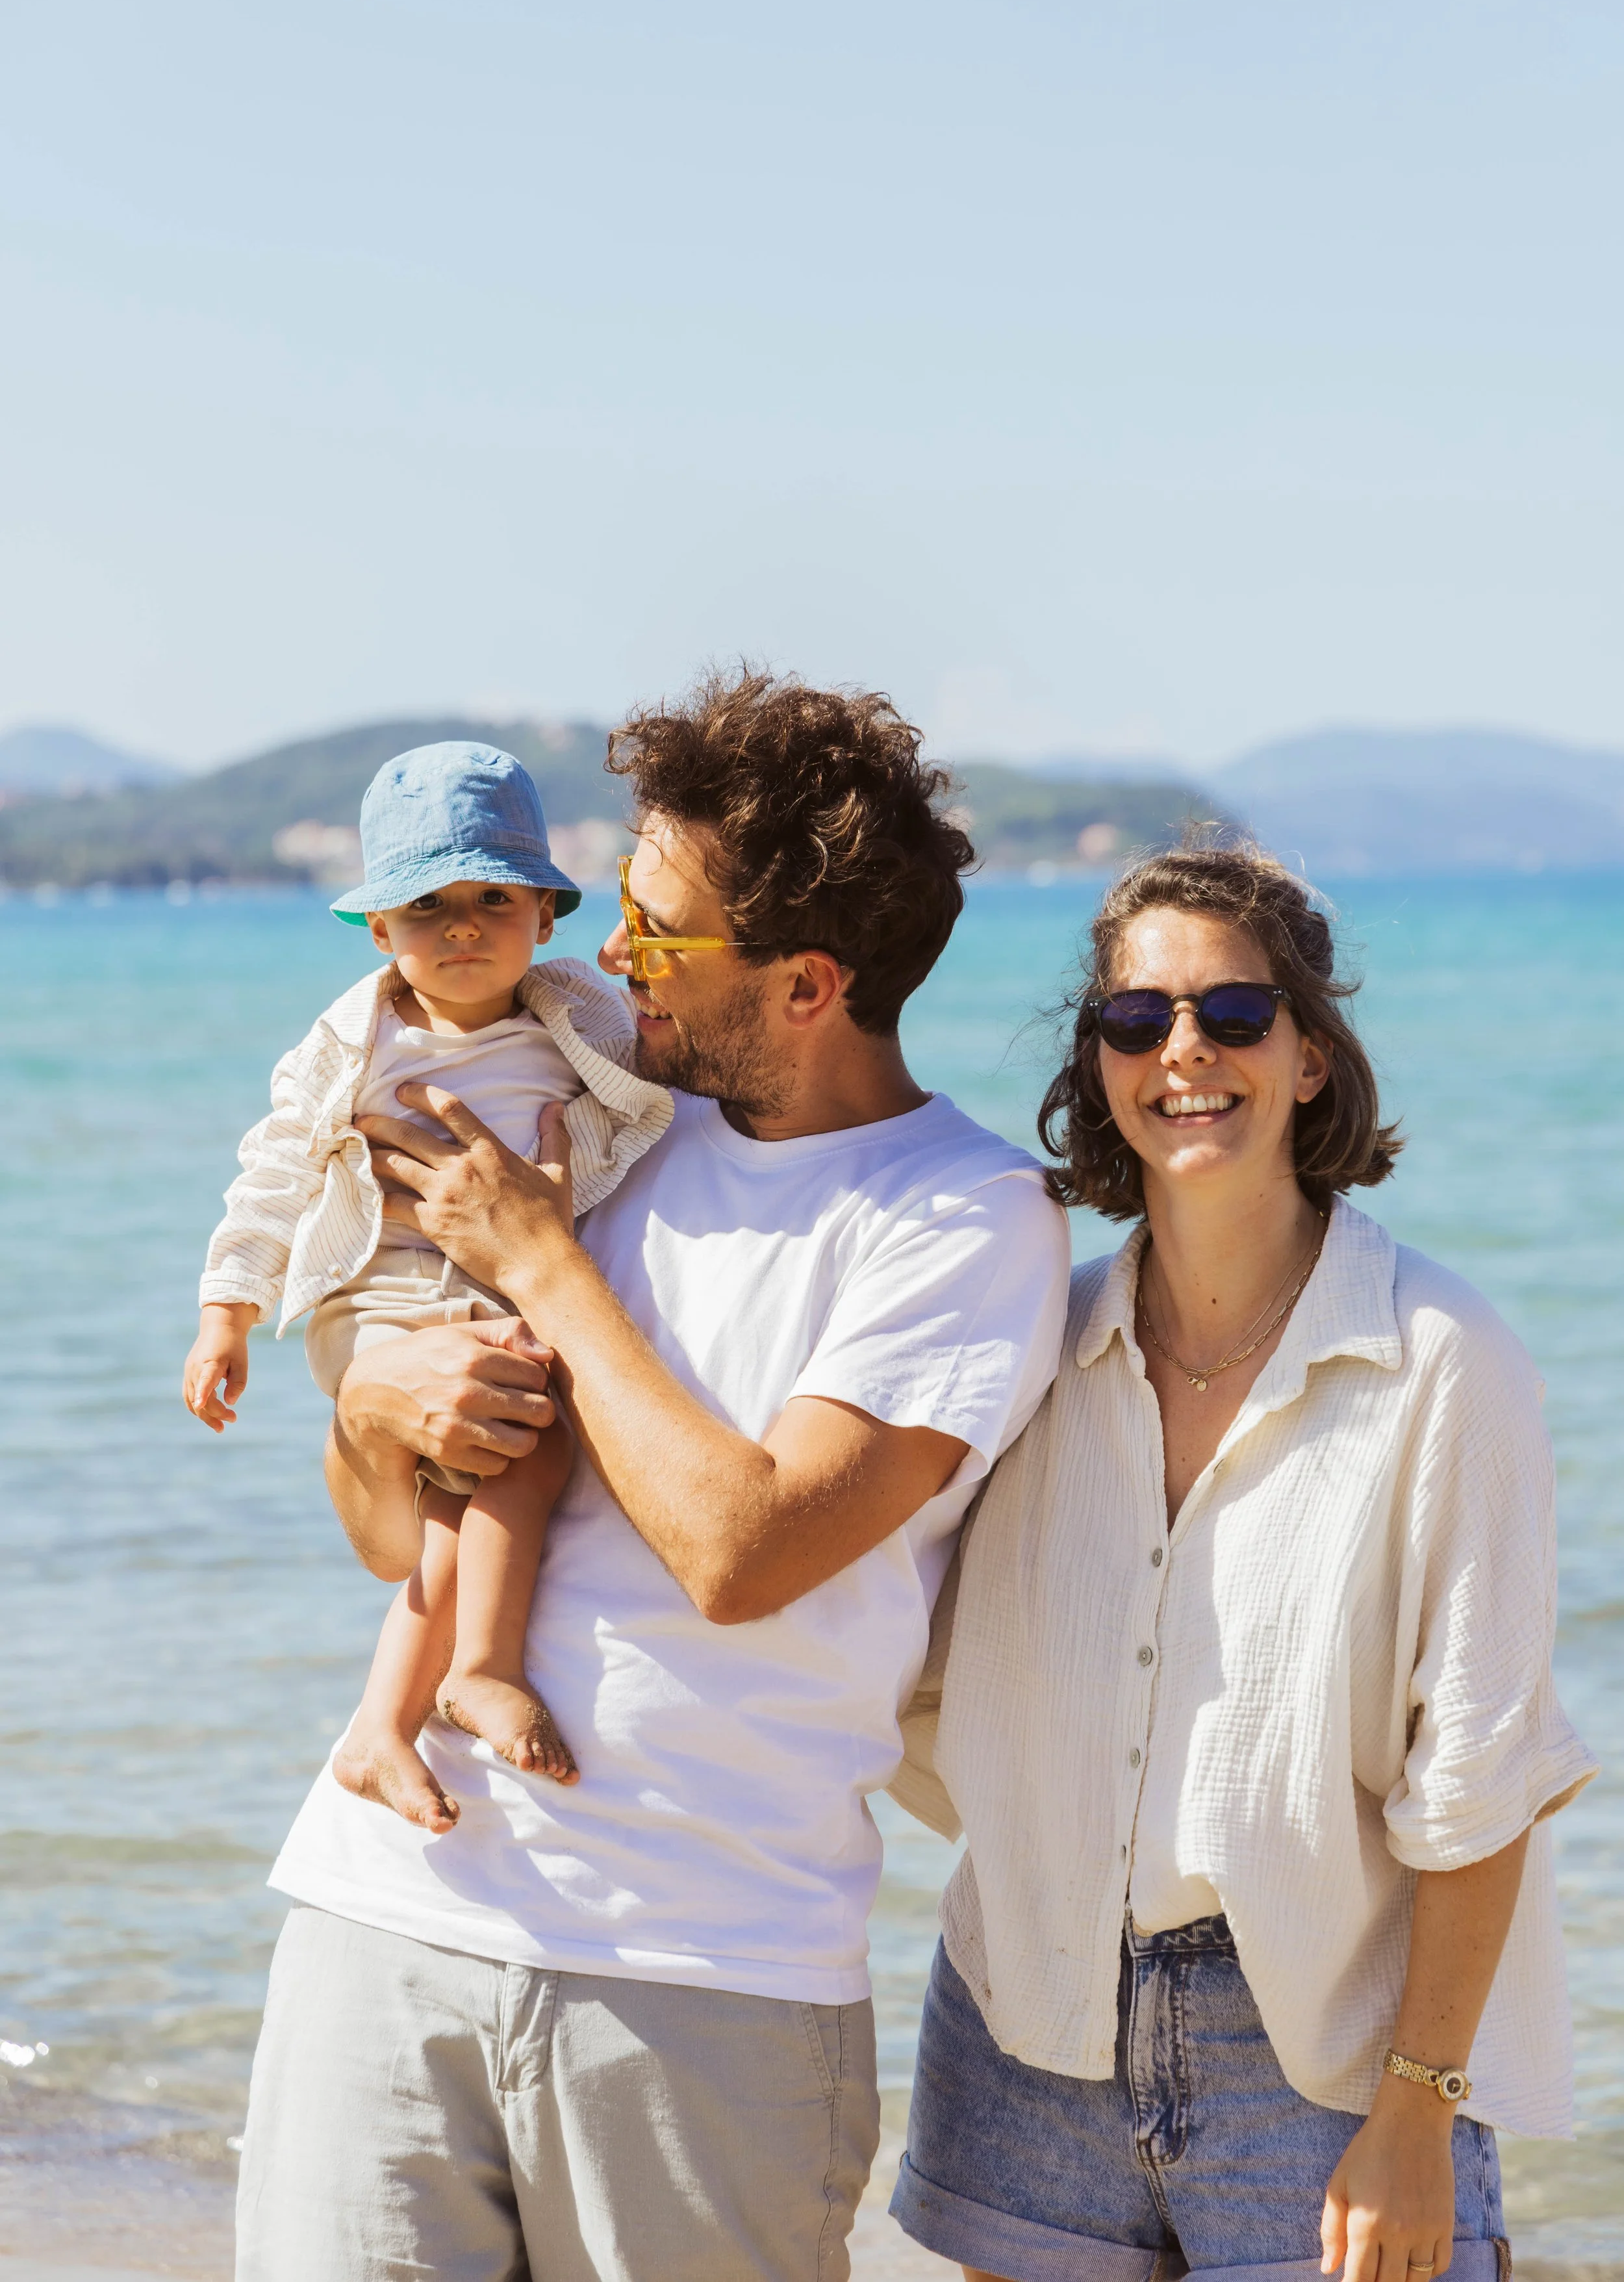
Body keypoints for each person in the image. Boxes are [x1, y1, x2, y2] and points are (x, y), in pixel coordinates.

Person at [233, 669, 1072, 2282]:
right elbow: (380, 1539)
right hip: (384, 1916)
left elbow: (743, 1550)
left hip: (707, 1981)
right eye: (618, 906)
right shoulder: (594, 1126)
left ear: (809, 982)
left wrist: (546, 1273)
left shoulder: (963, 1219)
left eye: (656, 930)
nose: (606, 958)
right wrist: (371, 1408)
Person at [891, 843, 1596, 2282]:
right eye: (1135, 1021)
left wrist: (1419, 2105)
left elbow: (1478, 1777)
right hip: (1023, 2024)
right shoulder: (1032, 1349)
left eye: (1232, 1014)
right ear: (1098, 1061)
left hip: (1324, 2061)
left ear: (1310, 1058)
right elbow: (905, 1657)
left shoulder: (1440, 1364)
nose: (1183, 1053)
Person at [184, 741, 674, 1817]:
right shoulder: (353, 1042)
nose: (461, 927)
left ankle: (392, 1721)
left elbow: (651, 1100)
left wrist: (560, 1191)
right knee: (499, 1434)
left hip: (498, 1291)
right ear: (379, 929)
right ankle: (470, 1674)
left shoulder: (576, 1019)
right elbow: (272, 1172)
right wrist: (229, 1309)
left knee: (508, 1458)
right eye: (425, 905)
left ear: (545, 916)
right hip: (376, 1298)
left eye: (492, 897)